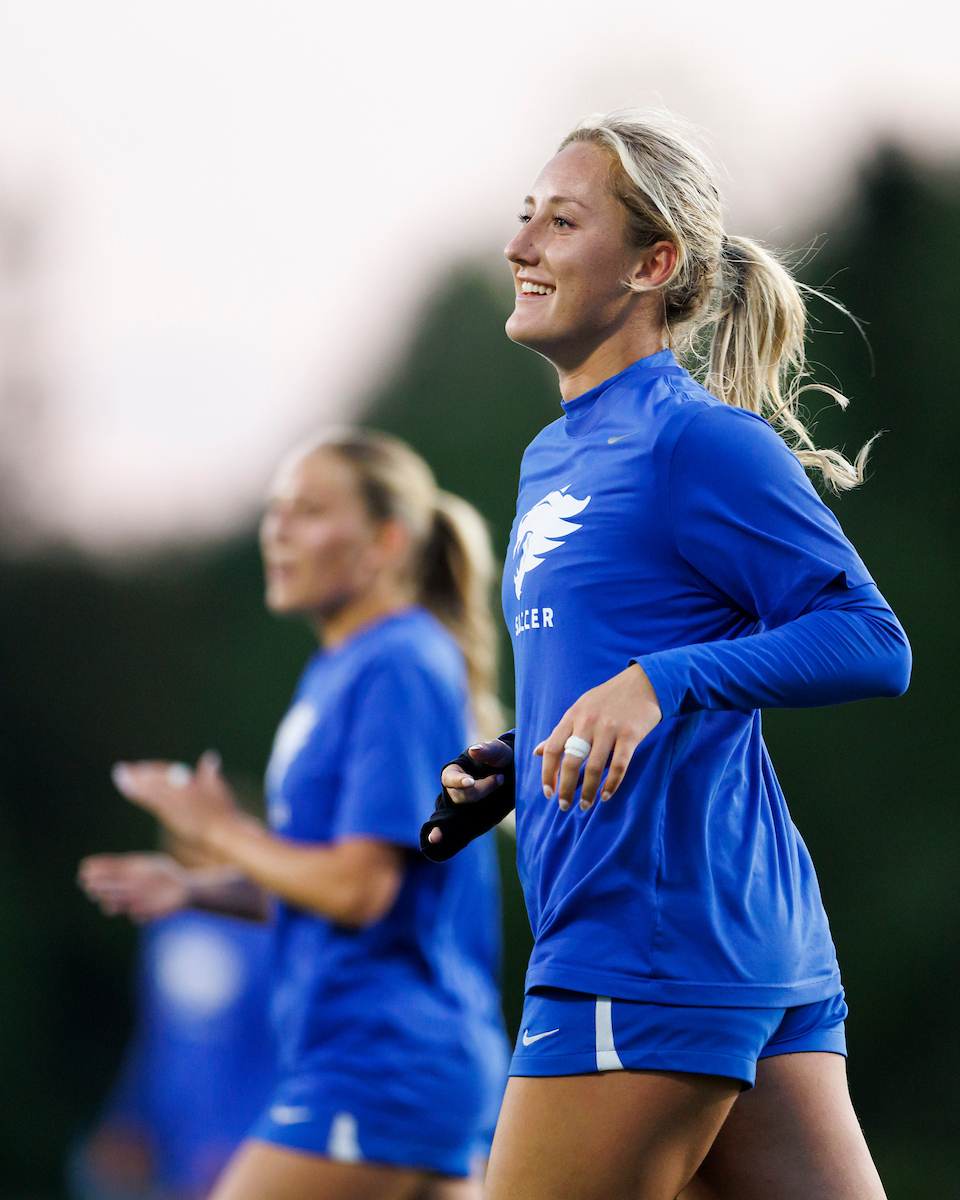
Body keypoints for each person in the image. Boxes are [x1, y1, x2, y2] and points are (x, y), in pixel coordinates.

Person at [427, 109, 912, 1200]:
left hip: (644, 945)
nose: (520, 245)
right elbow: (627, 654)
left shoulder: (696, 440)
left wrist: (660, 683)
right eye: (525, 217)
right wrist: (528, 755)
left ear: (653, 265)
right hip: (734, 948)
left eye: (562, 222)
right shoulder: (551, 455)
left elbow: (873, 641)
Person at [80, 428, 510, 1200]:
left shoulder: (398, 660)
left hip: (380, 1059)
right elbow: (323, 884)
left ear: (385, 541)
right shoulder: (341, 667)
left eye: (308, 511)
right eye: (275, 509)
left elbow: (361, 889)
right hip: (393, 1062)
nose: (275, 530)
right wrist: (196, 889)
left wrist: (222, 831)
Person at [69, 900, 275, 1200]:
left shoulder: (271, 914)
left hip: (250, 1151)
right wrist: (130, 1118)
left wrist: (249, 1146)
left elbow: (291, 1045)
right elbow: (162, 1040)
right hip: (178, 1161)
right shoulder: (167, 917)